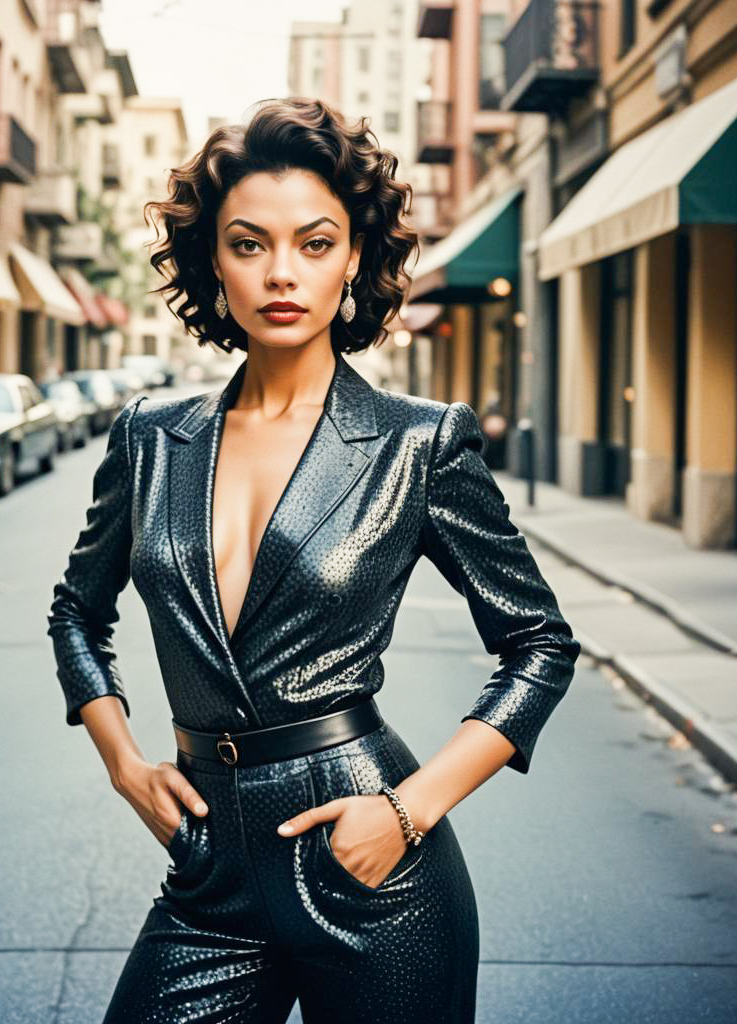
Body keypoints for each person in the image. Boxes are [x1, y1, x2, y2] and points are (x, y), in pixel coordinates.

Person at [47, 97, 581, 1023]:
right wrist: (124, 763)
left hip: (371, 865)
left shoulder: (420, 444)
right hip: (208, 868)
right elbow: (75, 613)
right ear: (212, 262)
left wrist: (406, 812)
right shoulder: (149, 437)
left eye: (316, 243)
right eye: (249, 244)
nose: (281, 273)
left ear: (356, 260)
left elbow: (540, 646)